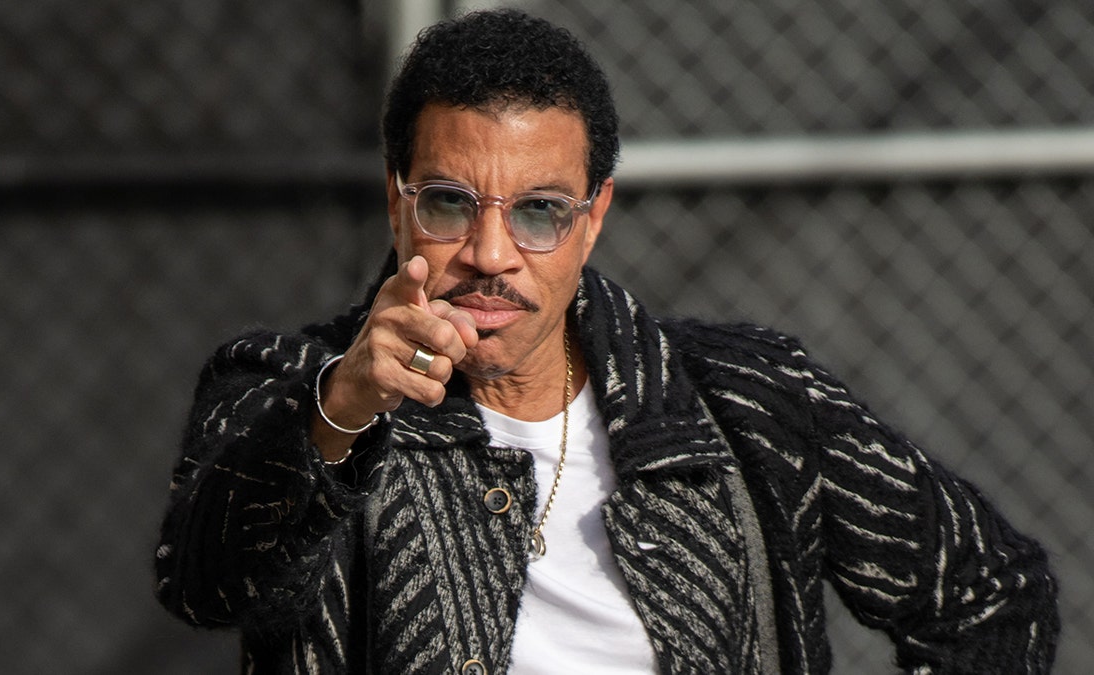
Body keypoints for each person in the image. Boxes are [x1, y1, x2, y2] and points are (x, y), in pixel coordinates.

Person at [154, 9, 1058, 674]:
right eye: (448, 205)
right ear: (397, 205)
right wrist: (340, 413)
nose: (492, 254)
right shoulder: (289, 388)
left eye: (541, 212)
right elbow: (207, 586)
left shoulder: (748, 404)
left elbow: (988, 596)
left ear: (594, 220)